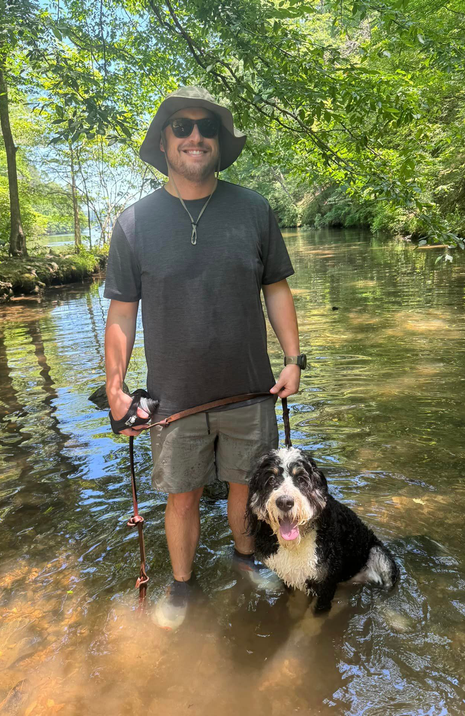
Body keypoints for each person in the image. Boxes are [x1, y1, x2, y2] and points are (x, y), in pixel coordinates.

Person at [103, 86, 306, 629]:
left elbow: (276, 289)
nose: (196, 136)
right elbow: (122, 313)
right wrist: (117, 389)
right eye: (183, 127)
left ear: (220, 142)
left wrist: (293, 359)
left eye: (208, 128)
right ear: (164, 141)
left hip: (250, 388)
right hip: (175, 399)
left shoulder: (254, 209)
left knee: (248, 489)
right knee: (181, 498)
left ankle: (245, 561)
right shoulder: (133, 223)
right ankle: (182, 586)